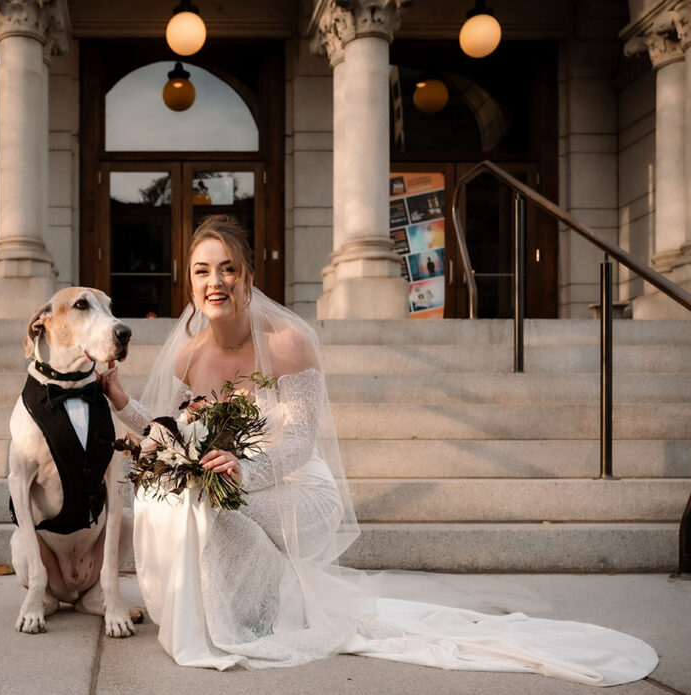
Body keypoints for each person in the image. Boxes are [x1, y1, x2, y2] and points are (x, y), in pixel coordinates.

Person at [97, 215, 657, 683]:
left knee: (207, 501)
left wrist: (244, 469)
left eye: (228, 269)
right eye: (202, 271)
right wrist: (121, 399)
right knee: (169, 498)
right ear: (190, 284)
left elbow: (297, 442)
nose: (214, 281)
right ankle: (221, 618)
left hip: (296, 488)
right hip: (234, 480)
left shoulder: (287, 343)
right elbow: (168, 435)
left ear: (247, 279)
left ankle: (249, 617)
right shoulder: (188, 357)